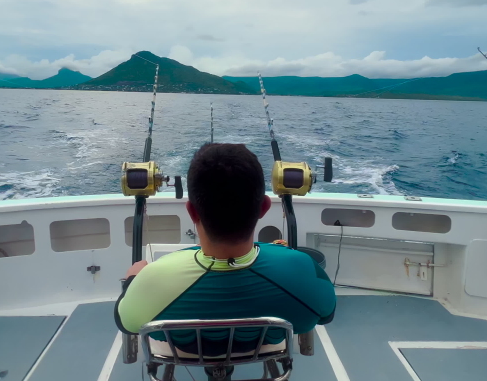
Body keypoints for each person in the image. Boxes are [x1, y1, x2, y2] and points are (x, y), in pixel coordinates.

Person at [114, 143, 336, 354]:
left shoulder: (153, 277)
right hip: (260, 348)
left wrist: (133, 279)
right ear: (264, 207)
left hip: (184, 351)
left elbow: (126, 322)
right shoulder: (302, 267)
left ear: (192, 211)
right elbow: (326, 314)